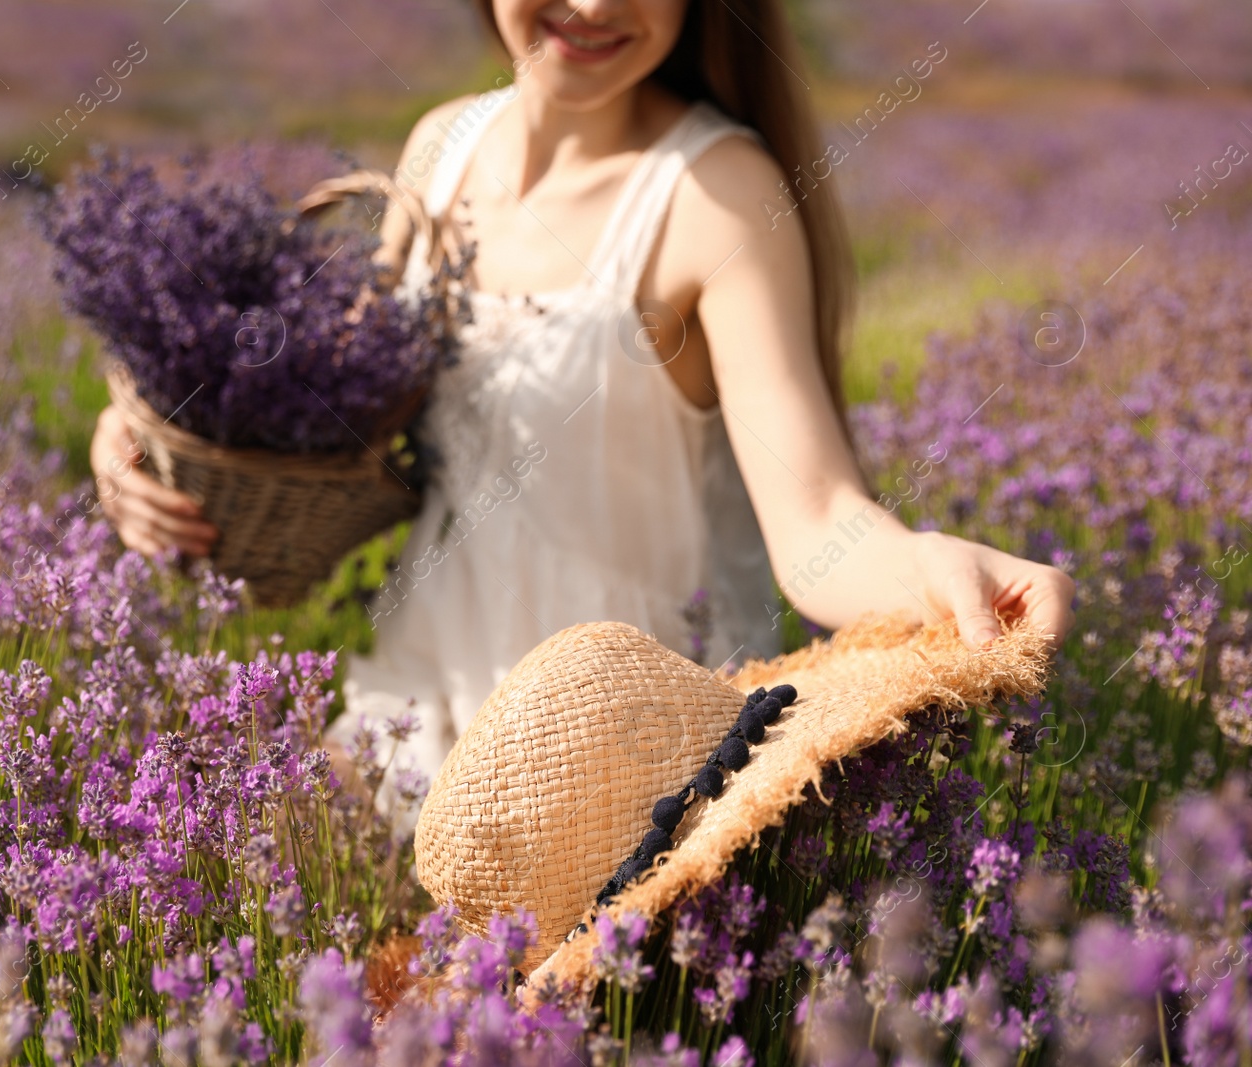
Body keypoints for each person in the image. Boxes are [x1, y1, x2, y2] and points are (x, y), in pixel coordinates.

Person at [90, 0, 1076, 815]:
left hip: (615, 761)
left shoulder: (715, 196)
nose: (599, 4)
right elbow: (334, 417)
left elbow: (817, 518)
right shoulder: (443, 148)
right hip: (414, 698)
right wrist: (148, 435)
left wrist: (927, 567)